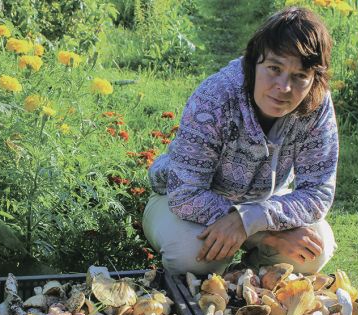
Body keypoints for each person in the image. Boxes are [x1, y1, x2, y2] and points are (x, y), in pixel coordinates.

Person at [143, 7, 338, 277]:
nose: (284, 87)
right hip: (183, 200)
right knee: (191, 257)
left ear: (314, 78)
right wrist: (266, 234)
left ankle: (247, 279)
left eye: (300, 76)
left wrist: (250, 220)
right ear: (253, 63)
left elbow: (318, 192)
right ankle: (221, 271)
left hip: (266, 199)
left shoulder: (317, 103)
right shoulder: (214, 97)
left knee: (314, 250)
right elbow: (186, 193)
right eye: (274, 68)